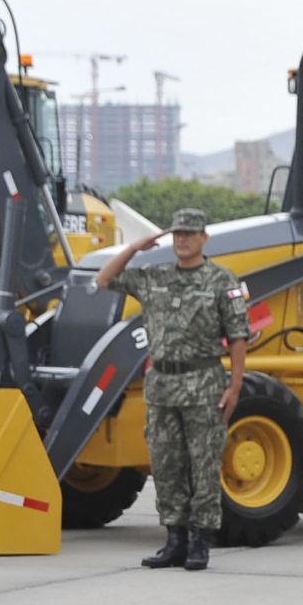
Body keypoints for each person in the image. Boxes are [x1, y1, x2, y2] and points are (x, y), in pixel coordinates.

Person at [93, 209, 249, 571]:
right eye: (178, 234)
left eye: (190, 234)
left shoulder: (221, 280)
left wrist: (235, 386)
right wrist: (135, 247)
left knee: (203, 464)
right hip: (162, 385)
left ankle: (200, 541)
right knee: (166, 465)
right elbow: (104, 279)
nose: (183, 240)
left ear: (204, 239)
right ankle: (174, 539)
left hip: (203, 383)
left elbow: (238, 337)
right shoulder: (155, 276)